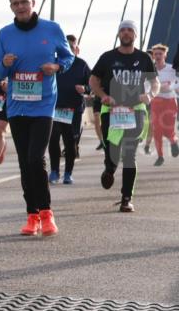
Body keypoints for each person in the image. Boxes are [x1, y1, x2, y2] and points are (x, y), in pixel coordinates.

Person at [0, 0, 74, 236]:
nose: (20, 7)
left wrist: (56, 67)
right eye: (15, 3)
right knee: (24, 163)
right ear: (11, 7)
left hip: (43, 104)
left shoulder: (52, 29)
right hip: (17, 105)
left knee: (35, 158)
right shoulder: (4, 34)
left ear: (33, 3)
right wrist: (4, 64)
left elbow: (68, 57)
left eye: (24, 2)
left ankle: (47, 213)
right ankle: (32, 216)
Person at [89, 21, 159, 212]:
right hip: (111, 110)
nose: (126, 33)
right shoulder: (107, 57)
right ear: (119, 34)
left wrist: (150, 95)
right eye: (122, 30)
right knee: (112, 149)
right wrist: (103, 96)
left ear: (135, 35)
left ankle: (126, 199)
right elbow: (93, 80)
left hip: (135, 110)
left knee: (129, 154)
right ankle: (109, 168)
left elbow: (155, 83)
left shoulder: (144, 58)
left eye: (130, 30)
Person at [48, 34, 90, 185]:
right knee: (53, 140)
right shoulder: (53, 63)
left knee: (70, 142)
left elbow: (92, 84)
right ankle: (54, 171)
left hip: (73, 109)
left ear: (76, 49)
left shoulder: (82, 64)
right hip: (54, 108)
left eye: (72, 47)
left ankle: (68, 173)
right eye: (66, 47)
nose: (69, 49)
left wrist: (85, 88)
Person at [149, 43, 179, 165]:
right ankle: (160, 156)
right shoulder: (150, 70)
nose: (157, 56)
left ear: (165, 55)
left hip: (170, 102)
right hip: (156, 102)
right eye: (155, 54)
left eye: (160, 54)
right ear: (153, 56)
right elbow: (146, 86)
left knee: (169, 130)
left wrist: (170, 86)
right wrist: (160, 87)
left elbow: (177, 84)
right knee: (156, 129)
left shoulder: (172, 69)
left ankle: (173, 142)